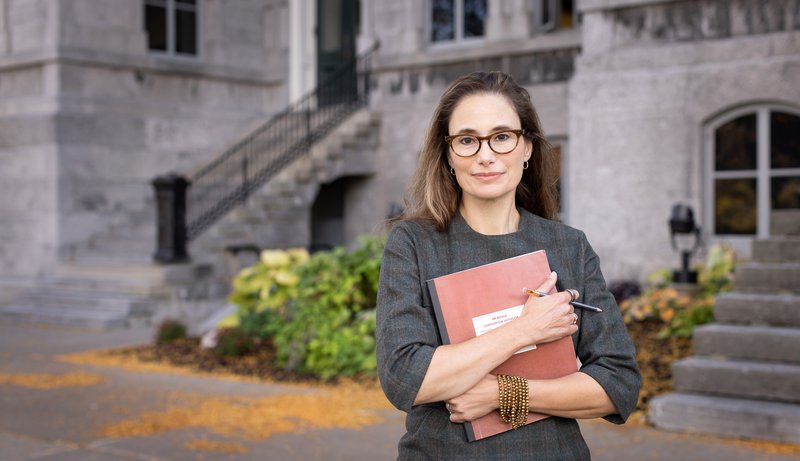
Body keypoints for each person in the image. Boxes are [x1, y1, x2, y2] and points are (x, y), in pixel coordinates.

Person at [375, 71, 641, 460]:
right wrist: (525, 329)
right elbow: (405, 377)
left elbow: (619, 384)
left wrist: (504, 394)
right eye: (467, 140)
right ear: (448, 153)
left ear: (528, 147)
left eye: (502, 137)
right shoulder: (414, 244)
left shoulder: (568, 247)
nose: (485, 155)